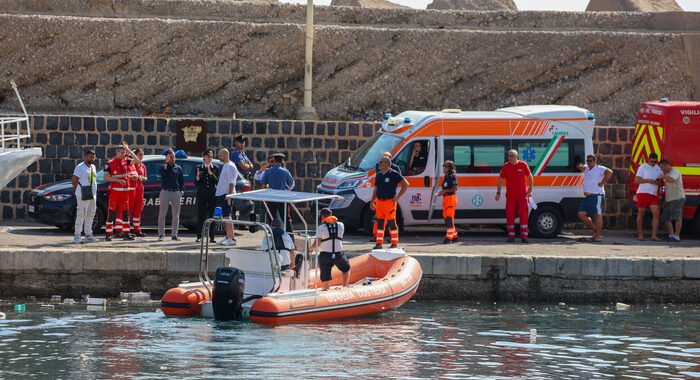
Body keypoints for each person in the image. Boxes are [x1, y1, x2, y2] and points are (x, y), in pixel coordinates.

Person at [496, 149, 533, 243]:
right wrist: (498, 192)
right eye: (509, 156)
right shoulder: (506, 166)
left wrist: (530, 190)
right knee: (510, 215)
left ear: (517, 156)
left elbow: (530, 177)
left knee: (523, 216)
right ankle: (511, 236)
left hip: (522, 196)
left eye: (512, 155)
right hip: (511, 196)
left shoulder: (523, 164)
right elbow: (500, 180)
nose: (510, 157)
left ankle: (524, 237)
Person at [371, 156, 409, 249]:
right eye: (380, 162)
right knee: (380, 222)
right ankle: (379, 243)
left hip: (389, 202)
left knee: (391, 222)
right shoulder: (379, 174)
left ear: (387, 164)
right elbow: (375, 189)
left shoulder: (394, 174)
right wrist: (372, 201)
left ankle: (394, 243)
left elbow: (406, 184)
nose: (379, 164)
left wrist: (398, 196)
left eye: (381, 162)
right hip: (379, 202)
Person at [576, 154, 613, 242]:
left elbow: (610, 172)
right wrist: (580, 165)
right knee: (581, 214)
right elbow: (579, 167)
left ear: (595, 161)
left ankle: (597, 236)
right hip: (588, 197)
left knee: (597, 215)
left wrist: (602, 183)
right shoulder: (586, 168)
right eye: (587, 161)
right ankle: (595, 230)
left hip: (597, 195)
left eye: (590, 161)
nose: (588, 162)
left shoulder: (599, 168)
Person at [311, 208, 350, 290]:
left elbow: (316, 244)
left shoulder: (321, 228)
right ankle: (345, 287)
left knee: (325, 275)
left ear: (322, 217)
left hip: (325, 255)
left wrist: (310, 249)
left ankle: (326, 290)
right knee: (346, 268)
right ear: (331, 215)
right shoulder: (341, 225)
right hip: (338, 254)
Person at [104, 145, 135, 241]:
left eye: (124, 152)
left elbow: (137, 161)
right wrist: (118, 181)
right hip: (115, 193)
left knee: (126, 213)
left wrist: (129, 150)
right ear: (116, 152)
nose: (124, 154)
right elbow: (106, 177)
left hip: (125, 193)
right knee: (112, 213)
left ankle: (126, 233)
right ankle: (108, 234)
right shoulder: (109, 163)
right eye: (122, 152)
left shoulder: (126, 161)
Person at [261, 152, 295, 231]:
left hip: (270, 197)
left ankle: (271, 236)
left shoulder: (268, 171)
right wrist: (285, 188)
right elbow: (291, 184)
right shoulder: (285, 171)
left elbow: (263, 185)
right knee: (286, 219)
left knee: (271, 218)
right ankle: (290, 236)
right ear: (282, 161)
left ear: (275, 160)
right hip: (282, 198)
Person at [634, 152, 663, 241]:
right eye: (651, 162)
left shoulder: (659, 169)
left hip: (653, 194)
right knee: (641, 213)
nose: (653, 163)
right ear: (648, 159)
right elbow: (636, 181)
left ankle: (653, 235)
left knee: (656, 214)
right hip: (643, 193)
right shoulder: (643, 167)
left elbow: (661, 183)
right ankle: (640, 235)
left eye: (655, 162)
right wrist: (648, 180)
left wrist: (655, 182)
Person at [71, 149, 98, 244]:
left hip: (93, 194)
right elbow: (74, 181)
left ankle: (88, 235)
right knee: (81, 214)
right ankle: (77, 235)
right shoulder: (80, 167)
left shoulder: (93, 167)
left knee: (91, 213)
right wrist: (80, 191)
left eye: (93, 157)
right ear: (85, 157)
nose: (92, 159)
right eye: (90, 157)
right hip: (83, 194)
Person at [157, 149, 184, 241]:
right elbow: (163, 174)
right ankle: (161, 234)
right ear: (167, 158)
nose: (173, 159)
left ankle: (174, 234)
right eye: (170, 157)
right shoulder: (163, 167)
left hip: (176, 192)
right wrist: (166, 162)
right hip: (166, 191)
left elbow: (181, 181)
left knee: (176, 215)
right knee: (162, 214)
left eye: (173, 157)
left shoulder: (178, 168)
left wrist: (181, 190)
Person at [195, 150, 220, 243]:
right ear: (204, 157)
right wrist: (197, 177)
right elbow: (196, 183)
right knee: (201, 215)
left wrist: (211, 174)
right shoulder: (199, 167)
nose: (209, 159)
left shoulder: (215, 168)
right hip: (202, 194)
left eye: (211, 157)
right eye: (208, 157)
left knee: (212, 215)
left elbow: (217, 181)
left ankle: (212, 237)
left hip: (212, 195)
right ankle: (199, 236)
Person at [216, 148, 238, 246]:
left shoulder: (230, 166)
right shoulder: (226, 166)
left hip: (226, 194)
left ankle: (232, 238)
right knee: (225, 216)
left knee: (228, 216)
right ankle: (228, 236)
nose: (219, 157)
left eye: (221, 155)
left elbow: (232, 182)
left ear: (226, 155)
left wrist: (229, 195)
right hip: (223, 194)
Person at [659, 159, 685, 242]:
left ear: (667, 165)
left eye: (662, 167)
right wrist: (665, 200)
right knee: (665, 217)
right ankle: (671, 235)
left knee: (677, 217)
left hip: (678, 198)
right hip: (670, 199)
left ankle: (677, 236)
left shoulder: (675, 171)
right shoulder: (667, 174)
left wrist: (662, 177)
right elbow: (667, 188)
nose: (661, 169)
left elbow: (672, 180)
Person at [438, 160, 459, 244]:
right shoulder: (445, 177)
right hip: (446, 198)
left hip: (451, 198)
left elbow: (455, 188)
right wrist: (441, 192)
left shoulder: (452, 176)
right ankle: (454, 236)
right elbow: (445, 189)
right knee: (446, 218)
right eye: (443, 166)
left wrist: (445, 191)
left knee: (449, 218)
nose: (444, 167)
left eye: (445, 166)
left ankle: (448, 238)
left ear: (449, 168)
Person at [129, 148, 147, 237]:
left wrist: (141, 177)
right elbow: (128, 176)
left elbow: (145, 177)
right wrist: (136, 177)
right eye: (139, 154)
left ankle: (137, 229)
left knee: (138, 209)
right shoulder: (132, 164)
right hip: (132, 188)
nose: (141, 156)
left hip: (140, 188)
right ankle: (126, 229)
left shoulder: (143, 165)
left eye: (142, 154)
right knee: (129, 209)